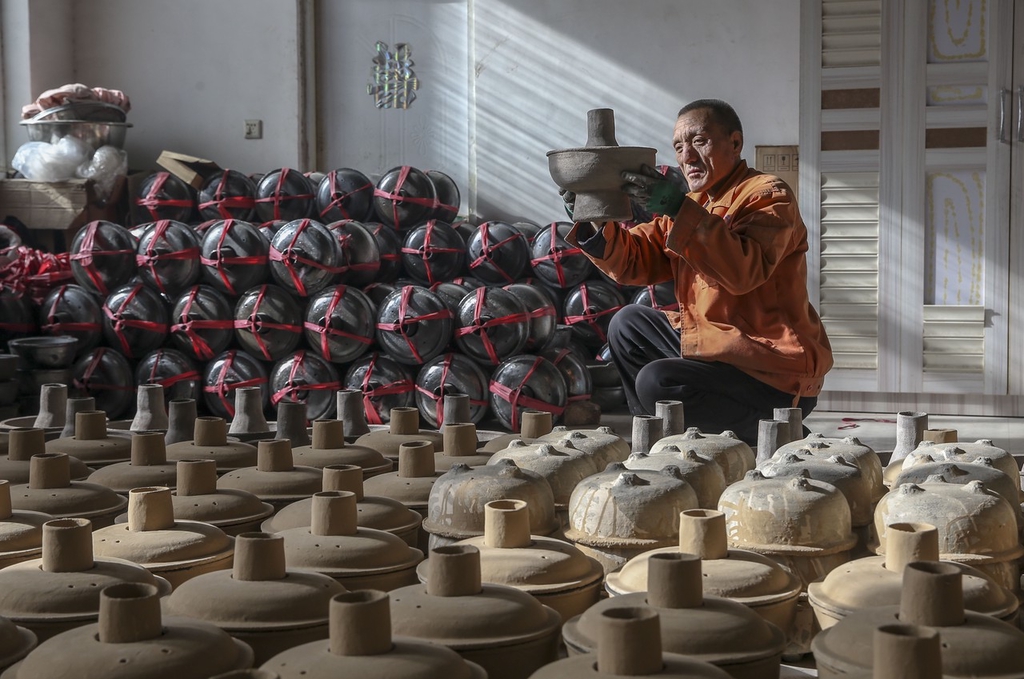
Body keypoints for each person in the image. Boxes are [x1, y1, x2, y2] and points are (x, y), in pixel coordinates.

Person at [563, 99, 833, 445]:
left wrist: (678, 208)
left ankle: (786, 434)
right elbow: (634, 259)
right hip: (719, 351)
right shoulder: (696, 205)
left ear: (735, 143)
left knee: (656, 382)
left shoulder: (768, 195)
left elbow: (743, 272)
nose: (687, 157)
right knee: (628, 324)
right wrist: (593, 219)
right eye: (679, 146)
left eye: (699, 141)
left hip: (771, 370)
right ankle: (657, 438)